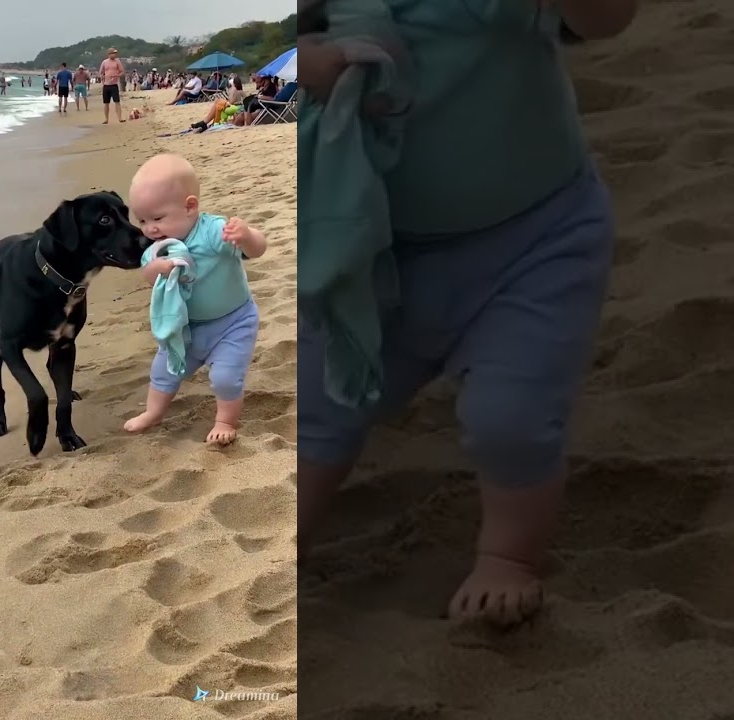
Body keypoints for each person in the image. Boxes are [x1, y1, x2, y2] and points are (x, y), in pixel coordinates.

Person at [299, 0, 638, 627]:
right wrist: (307, 62)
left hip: (533, 243)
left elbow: (607, 18)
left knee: (509, 418)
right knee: (315, 411)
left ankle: (508, 556)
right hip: (378, 259)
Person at [123, 154, 269, 445]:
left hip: (232, 322)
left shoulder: (213, 231)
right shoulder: (159, 247)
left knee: (226, 377)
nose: (150, 228)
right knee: (162, 371)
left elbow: (258, 250)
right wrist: (156, 268)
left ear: (190, 207)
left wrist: (247, 236)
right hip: (186, 327)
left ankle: (225, 420)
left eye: (158, 218)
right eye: (142, 220)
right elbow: (148, 275)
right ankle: (153, 412)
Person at [98, 47, 126, 124]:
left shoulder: (117, 61)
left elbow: (122, 71)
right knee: (106, 103)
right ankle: (106, 119)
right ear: (109, 54)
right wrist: (102, 76)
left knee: (117, 101)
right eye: (113, 53)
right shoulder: (104, 62)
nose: (114, 54)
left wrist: (117, 76)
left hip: (114, 85)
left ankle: (120, 118)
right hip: (106, 85)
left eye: (115, 53)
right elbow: (101, 72)